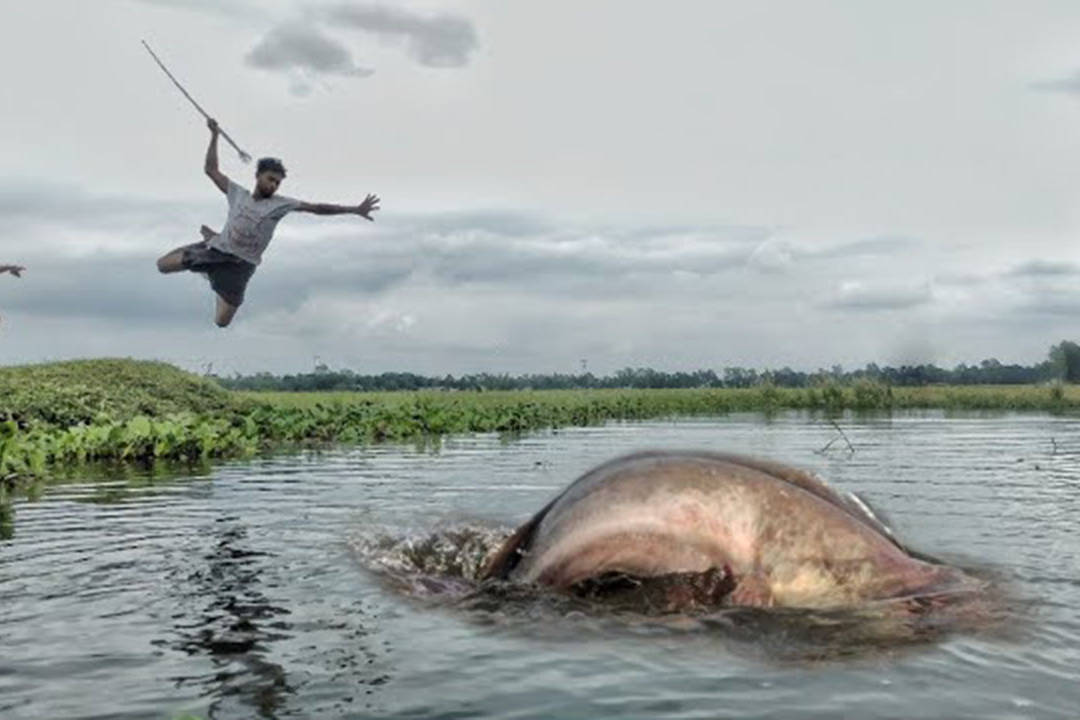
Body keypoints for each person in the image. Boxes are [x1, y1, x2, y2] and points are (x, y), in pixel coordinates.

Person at [157, 118, 380, 327]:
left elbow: (317, 208)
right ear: (258, 176)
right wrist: (214, 135)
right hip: (217, 251)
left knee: (221, 322)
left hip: (240, 266)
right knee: (162, 266)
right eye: (270, 179)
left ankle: (212, 273)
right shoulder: (238, 194)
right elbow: (211, 170)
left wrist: (354, 209)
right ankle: (209, 244)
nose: (274, 185)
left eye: (277, 183)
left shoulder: (280, 204)